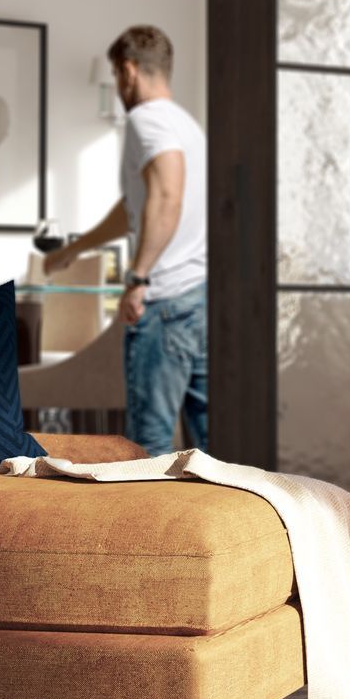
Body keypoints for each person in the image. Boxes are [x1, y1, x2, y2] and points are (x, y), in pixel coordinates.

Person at [43, 25, 208, 456]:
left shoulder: (145, 119)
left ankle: (145, 527)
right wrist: (73, 250)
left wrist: (137, 277)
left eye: (118, 76)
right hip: (198, 298)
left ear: (129, 70)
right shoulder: (187, 124)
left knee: (148, 445)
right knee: (209, 446)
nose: (118, 86)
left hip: (164, 301)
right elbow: (135, 206)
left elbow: (167, 195)